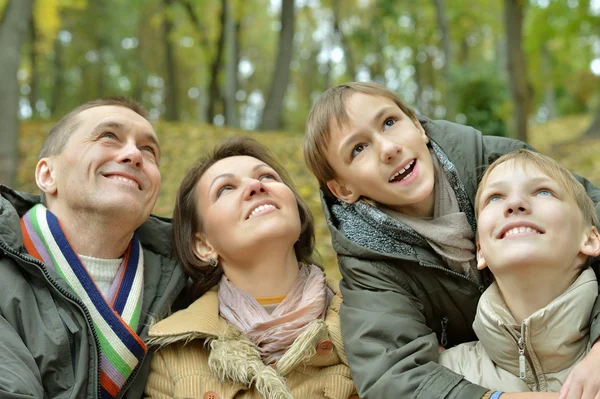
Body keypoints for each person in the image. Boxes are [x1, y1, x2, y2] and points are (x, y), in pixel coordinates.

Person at [303, 81, 600, 399]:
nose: (388, 149)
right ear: (344, 189)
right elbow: (391, 376)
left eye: (390, 122)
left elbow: (588, 215)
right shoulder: (369, 264)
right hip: (487, 370)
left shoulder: (501, 166)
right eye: (358, 149)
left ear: (417, 126)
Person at [0, 97, 186, 399]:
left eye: (148, 150)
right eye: (108, 137)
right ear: (48, 174)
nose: (133, 155)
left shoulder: (187, 289)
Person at [144, 137, 356, 399]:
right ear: (203, 245)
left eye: (267, 177)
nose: (255, 186)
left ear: (297, 212)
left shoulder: (367, 315)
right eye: (225, 189)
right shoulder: (173, 353)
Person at [438, 149, 600, 396]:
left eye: (543, 191)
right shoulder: (445, 376)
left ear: (589, 238)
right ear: (480, 250)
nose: (514, 204)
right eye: (495, 197)